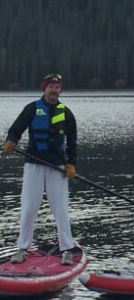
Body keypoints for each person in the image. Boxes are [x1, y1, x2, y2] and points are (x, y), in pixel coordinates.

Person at [3, 74, 77, 265]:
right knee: (29, 207)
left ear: (60, 90)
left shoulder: (66, 113)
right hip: (34, 163)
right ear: (44, 89)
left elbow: (73, 143)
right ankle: (22, 248)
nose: (54, 91)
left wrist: (71, 164)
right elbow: (16, 129)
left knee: (60, 209)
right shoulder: (32, 109)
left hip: (57, 166)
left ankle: (67, 249)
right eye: (51, 87)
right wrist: (11, 141)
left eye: (57, 87)